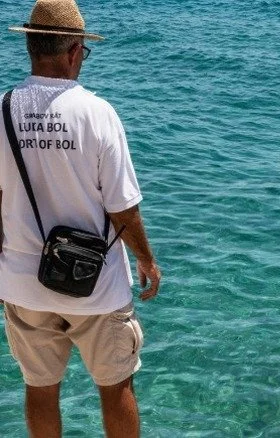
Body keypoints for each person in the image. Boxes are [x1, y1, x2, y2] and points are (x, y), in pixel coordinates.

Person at [0, 1, 162, 437]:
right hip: (97, 285)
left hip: (22, 281)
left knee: (39, 388)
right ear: (74, 52)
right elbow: (123, 208)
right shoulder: (97, 113)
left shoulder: (2, 108)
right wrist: (146, 260)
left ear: (32, 47)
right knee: (115, 387)